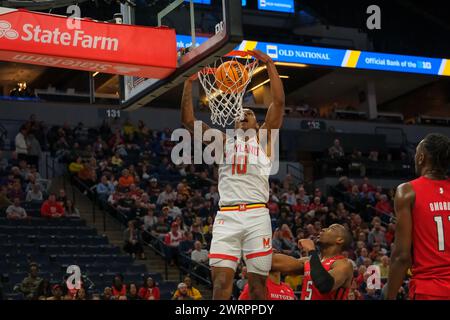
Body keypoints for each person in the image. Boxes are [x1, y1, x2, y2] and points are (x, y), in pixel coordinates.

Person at [181, 49, 285, 300]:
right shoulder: (222, 141)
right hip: (227, 215)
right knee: (220, 284)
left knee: (259, 287)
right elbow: (188, 122)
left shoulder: (265, 138)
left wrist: (269, 63)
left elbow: (279, 103)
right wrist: (187, 82)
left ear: (257, 124)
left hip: (256, 214)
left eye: (249, 114)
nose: (243, 115)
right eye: (240, 114)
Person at [387, 133, 450, 300]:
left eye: (416, 152)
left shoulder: (407, 192)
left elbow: (402, 256)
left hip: (430, 290)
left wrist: (390, 296)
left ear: (421, 157)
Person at [272, 224, 354, 300]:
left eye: (331, 229)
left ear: (339, 240)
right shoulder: (309, 261)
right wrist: (268, 253)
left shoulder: (344, 264)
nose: (323, 229)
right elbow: (275, 263)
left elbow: (325, 285)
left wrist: (311, 250)